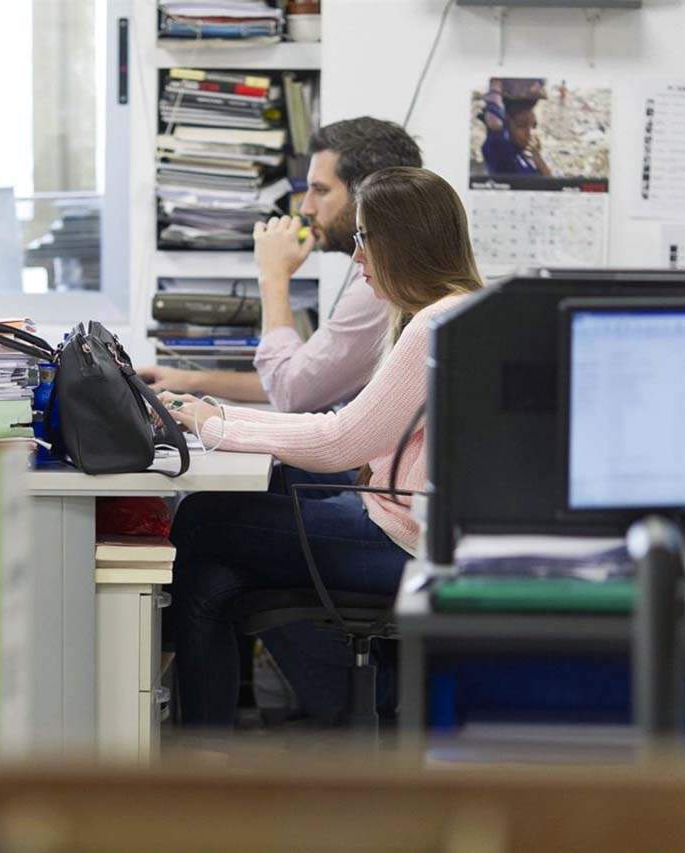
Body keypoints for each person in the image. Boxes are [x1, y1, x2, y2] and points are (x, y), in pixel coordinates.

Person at [159, 167, 484, 728]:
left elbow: (342, 441)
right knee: (211, 576)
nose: (357, 259)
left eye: (363, 239)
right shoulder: (458, 309)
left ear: (399, 243)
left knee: (203, 517)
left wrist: (214, 428)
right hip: (408, 524)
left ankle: (189, 733)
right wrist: (218, 416)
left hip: (406, 544)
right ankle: (205, 743)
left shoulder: (434, 323)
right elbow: (349, 427)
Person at [139, 117, 422, 414]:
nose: (306, 207)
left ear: (370, 194)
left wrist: (274, 276)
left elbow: (291, 393)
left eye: (321, 191)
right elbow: (299, 375)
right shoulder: (391, 261)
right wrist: (192, 380)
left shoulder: (384, 285)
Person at [480, 79, 552, 177]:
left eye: (534, 126)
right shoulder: (500, 150)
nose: (530, 133)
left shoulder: (529, 156)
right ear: (506, 124)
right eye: (521, 125)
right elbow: (494, 122)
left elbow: (551, 184)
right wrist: (496, 85)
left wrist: (538, 159)